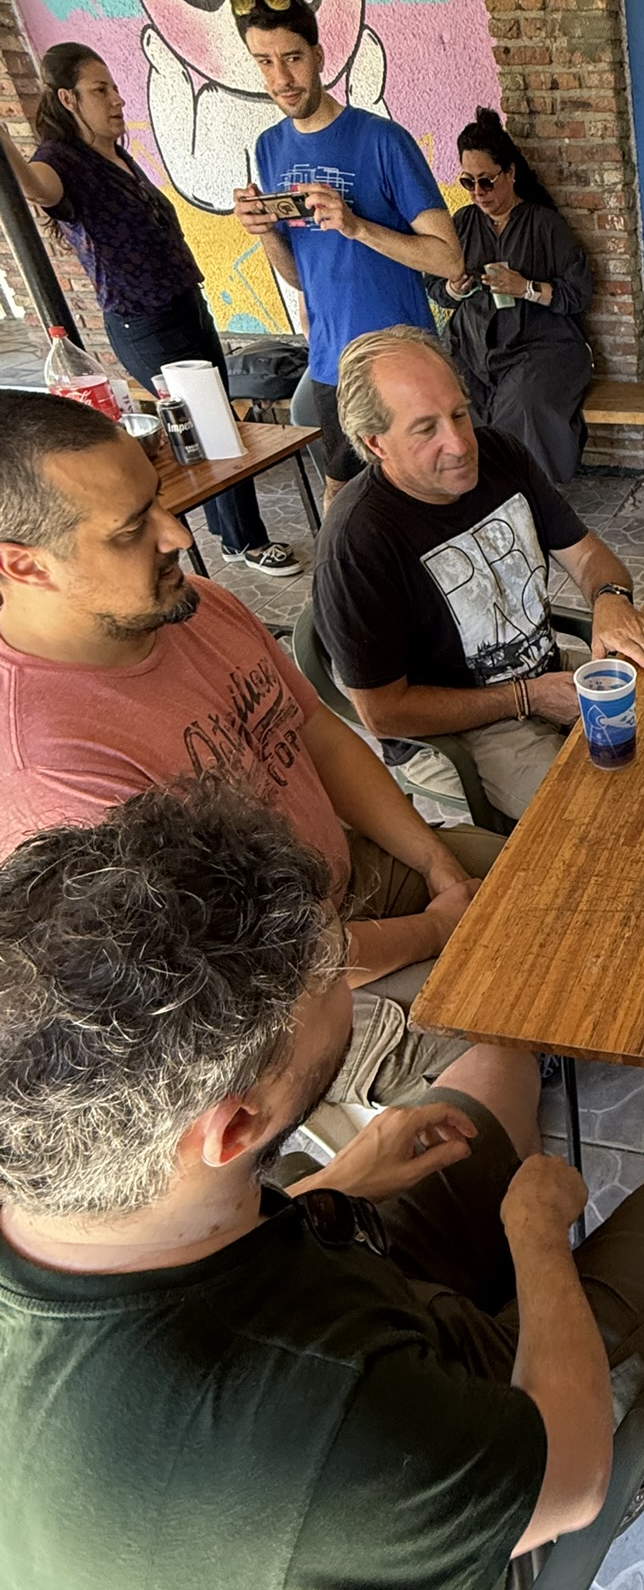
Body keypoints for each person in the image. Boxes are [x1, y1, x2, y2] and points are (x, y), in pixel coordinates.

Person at [0, 779, 644, 1590]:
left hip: (329, 1400)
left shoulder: (69, 1196)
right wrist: (534, 1238)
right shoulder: (319, 1418)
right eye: (330, 970)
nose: (345, 967)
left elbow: (172, 1279)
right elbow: (566, 1477)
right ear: (234, 1127)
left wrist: (337, 1183)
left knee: (494, 1063)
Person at [0, 389, 522, 1128]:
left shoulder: (196, 605)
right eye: (131, 530)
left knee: (538, 893)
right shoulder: (51, 769)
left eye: (158, 500)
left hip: (341, 876)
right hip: (274, 1010)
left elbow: (317, 735)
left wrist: (431, 859)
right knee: (504, 1037)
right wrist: (438, 929)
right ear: (25, 566)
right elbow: (267, 965)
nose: (178, 534)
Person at [313, 327, 644, 822]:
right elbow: (384, 714)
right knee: (604, 816)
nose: (460, 444)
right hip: (459, 729)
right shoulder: (357, 542)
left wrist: (610, 600)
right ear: (375, 443)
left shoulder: (500, 454)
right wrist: (526, 697)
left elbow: (588, 557)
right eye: (426, 429)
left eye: (459, 414)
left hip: (547, 675)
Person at [0, 42, 296, 577]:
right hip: (144, 321)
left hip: (185, 303)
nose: (116, 99)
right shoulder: (59, 161)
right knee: (209, 427)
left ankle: (231, 535)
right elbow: (38, 190)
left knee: (215, 423)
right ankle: (246, 541)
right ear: (68, 99)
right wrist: (4, 140)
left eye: (113, 87)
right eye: (100, 90)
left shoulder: (115, 154)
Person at [229, 0, 461, 499]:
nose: (281, 78)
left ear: (318, 56)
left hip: (402, 359)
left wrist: (357, 226)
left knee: (422, 493)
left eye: (292, 58)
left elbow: (448, 259)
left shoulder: (383, 139)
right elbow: (300, 277)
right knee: (346, 498)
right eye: (265, 62)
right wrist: (265, 233)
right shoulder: (269, 148)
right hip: (331, 362)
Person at [428, 107, 595, 482]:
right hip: (471, 344)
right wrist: (454, 289)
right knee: (450, 395)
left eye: (486, 182)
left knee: (522, 402)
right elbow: (435, 286)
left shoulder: (543, 224)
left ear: (510, 173)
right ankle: (472, 489)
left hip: (539, 345)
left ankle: (530, 488)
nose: (478, 193)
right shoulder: (463, 223)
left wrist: (526, 288)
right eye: (468, 182)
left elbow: (579, 293)